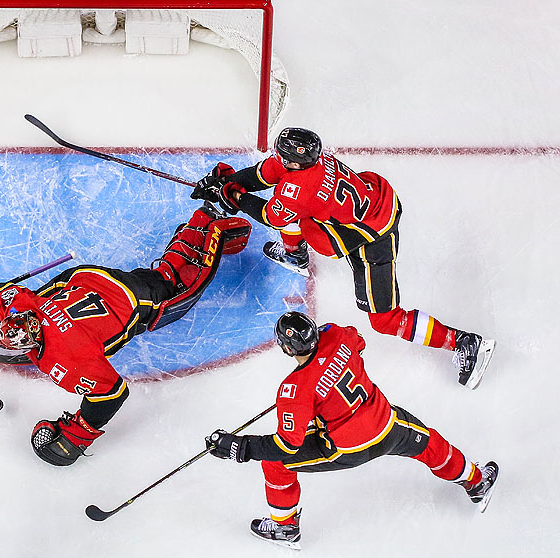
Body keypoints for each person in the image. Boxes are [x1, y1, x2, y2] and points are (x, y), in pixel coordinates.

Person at [0, 204, 252, 466]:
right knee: (160, 273)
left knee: (179, 286)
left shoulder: (63, 360)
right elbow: (6, 298)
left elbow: (112, 393)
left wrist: (76, 435)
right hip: (85, 277)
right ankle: (203, 216)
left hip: (133, 300)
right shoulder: (29, 305)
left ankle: (214, 229)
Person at [191, 128, 495, 389]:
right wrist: (233, 183)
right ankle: (296, 255)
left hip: (373, 234)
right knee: (303, 218)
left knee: (385, 319)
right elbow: (264, 173)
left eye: (284, 157)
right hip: (374, 197)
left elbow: (272, 215)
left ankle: (464, 342)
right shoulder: (308, 160)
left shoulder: (299, 187)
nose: (280, 159)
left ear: (296, 161)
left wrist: (234, 196)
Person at [204, 312, 498, 550]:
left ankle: (285, 527)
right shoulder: (336, 334)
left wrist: (239, 448)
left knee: (275, 464)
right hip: (385, 424)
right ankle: (476, 481)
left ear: (286, 349)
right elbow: (359, 342)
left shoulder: (293, 390)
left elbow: (285, 446)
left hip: (347, 448)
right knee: (429, 443)